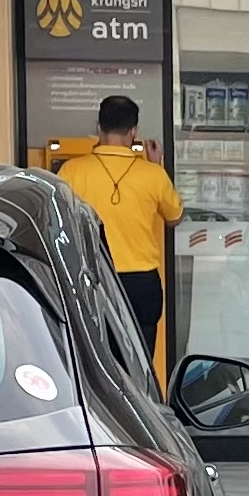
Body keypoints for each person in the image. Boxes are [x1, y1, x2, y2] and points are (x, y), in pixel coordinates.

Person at [57, 95, 184, 360]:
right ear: (134, 131)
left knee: (93, 359)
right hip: (141, 284)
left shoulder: (71, 171)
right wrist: (156, 166)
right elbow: (174, 218)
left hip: (92, 278)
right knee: (140, 362)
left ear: (98, 127)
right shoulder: (152, 174)